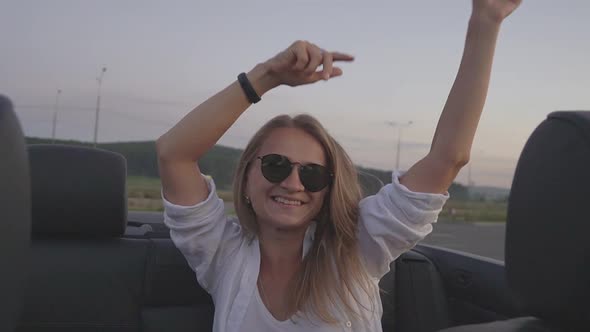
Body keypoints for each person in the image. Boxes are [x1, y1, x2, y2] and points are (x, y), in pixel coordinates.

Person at [156, 1, 522, 331]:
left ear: (329, 188)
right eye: (276, 165)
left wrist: (485, 21)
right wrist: (267, 75)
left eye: (313, 173)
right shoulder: (221, 253)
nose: (294, 183)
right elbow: (174, 153)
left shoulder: (359, 246)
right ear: (248, 175)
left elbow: (448, 158)